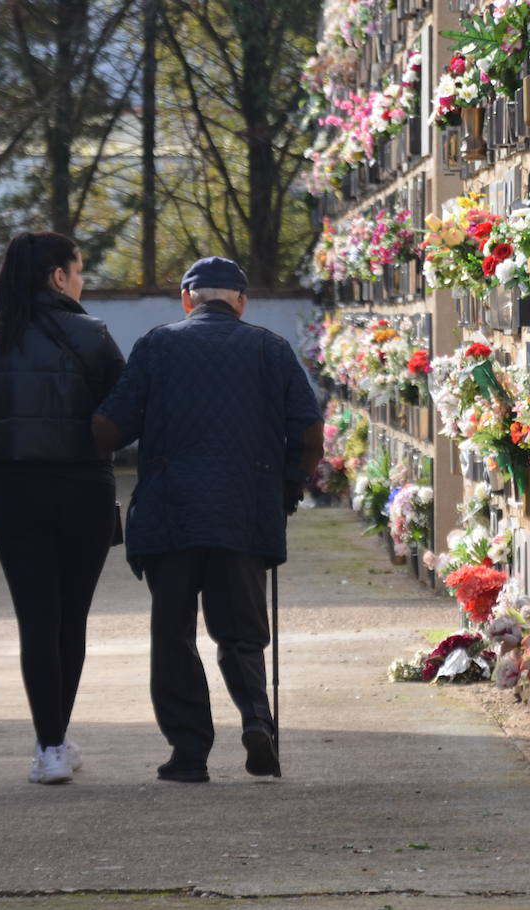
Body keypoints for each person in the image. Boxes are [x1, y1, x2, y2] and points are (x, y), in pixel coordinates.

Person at [92, 256, 323, 783]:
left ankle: (189, 753)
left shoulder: (157, 344)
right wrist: (285, 490)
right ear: (241, 302)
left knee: (173, 634)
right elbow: (309, 436)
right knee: (241, 632)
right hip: (243, 513)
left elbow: (111, 429)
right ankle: (256, 720)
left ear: (186, 299)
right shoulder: (271, 348)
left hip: (170, 515)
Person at [0, 231, 125, 785]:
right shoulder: (93, 337)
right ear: (58, 277)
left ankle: (49, 745)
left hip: (13, 496)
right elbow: (126, 414)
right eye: (80, 269)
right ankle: (56, 741)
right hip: (84, 493)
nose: (83, 278)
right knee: (71, 621)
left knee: (36, 621)